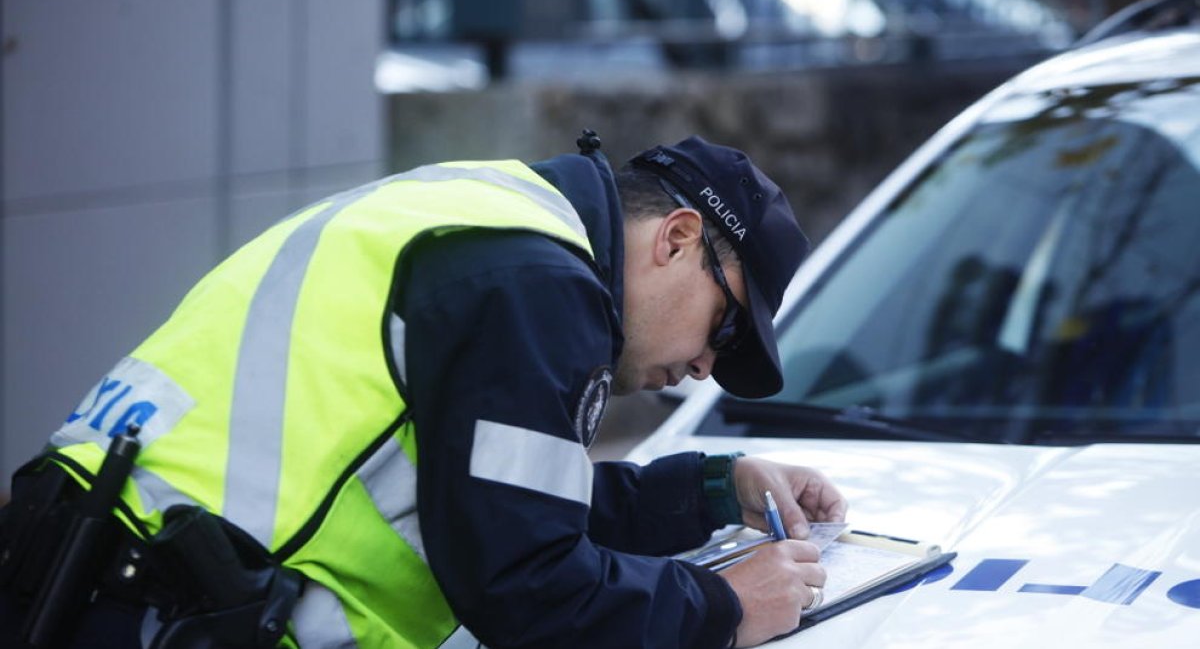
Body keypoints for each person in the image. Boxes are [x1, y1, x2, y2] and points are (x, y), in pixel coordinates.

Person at [0, 131, 847, 648]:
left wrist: (706, 488)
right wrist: (721, 605)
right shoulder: (539, 283)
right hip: (156, 606)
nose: (705, 366)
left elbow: (498, 498)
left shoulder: (490, 221)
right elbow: (530, 585)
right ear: (677, 236)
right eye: (724, 329)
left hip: (109, 577)